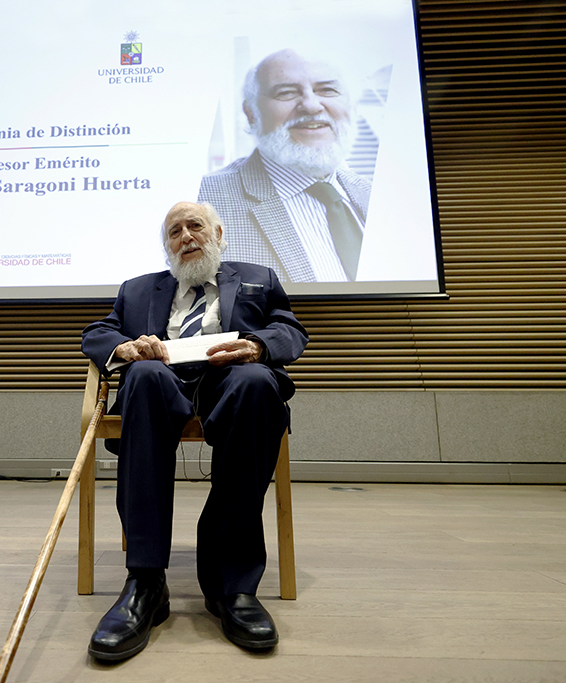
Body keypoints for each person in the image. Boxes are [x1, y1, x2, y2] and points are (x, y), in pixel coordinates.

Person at [81, 201, 308, 661]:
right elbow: (96, 333)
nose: (186, 236)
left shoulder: (258, 277)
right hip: (162, 384)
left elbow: (290, 329)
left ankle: (232, 586)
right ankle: (145, 582)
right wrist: (126, 346)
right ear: (167, 246)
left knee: (256, 381)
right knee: (142, 377)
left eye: (195, 226)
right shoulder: (137, 289)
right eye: (174, 231)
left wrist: (258, 345)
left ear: (218, 234)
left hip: (230, 379)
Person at [198, 49, 372, 283]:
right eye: (286, 93)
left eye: (328, 90)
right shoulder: (207, 201)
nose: (312, 106)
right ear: (251, 113)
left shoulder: (375, 195)